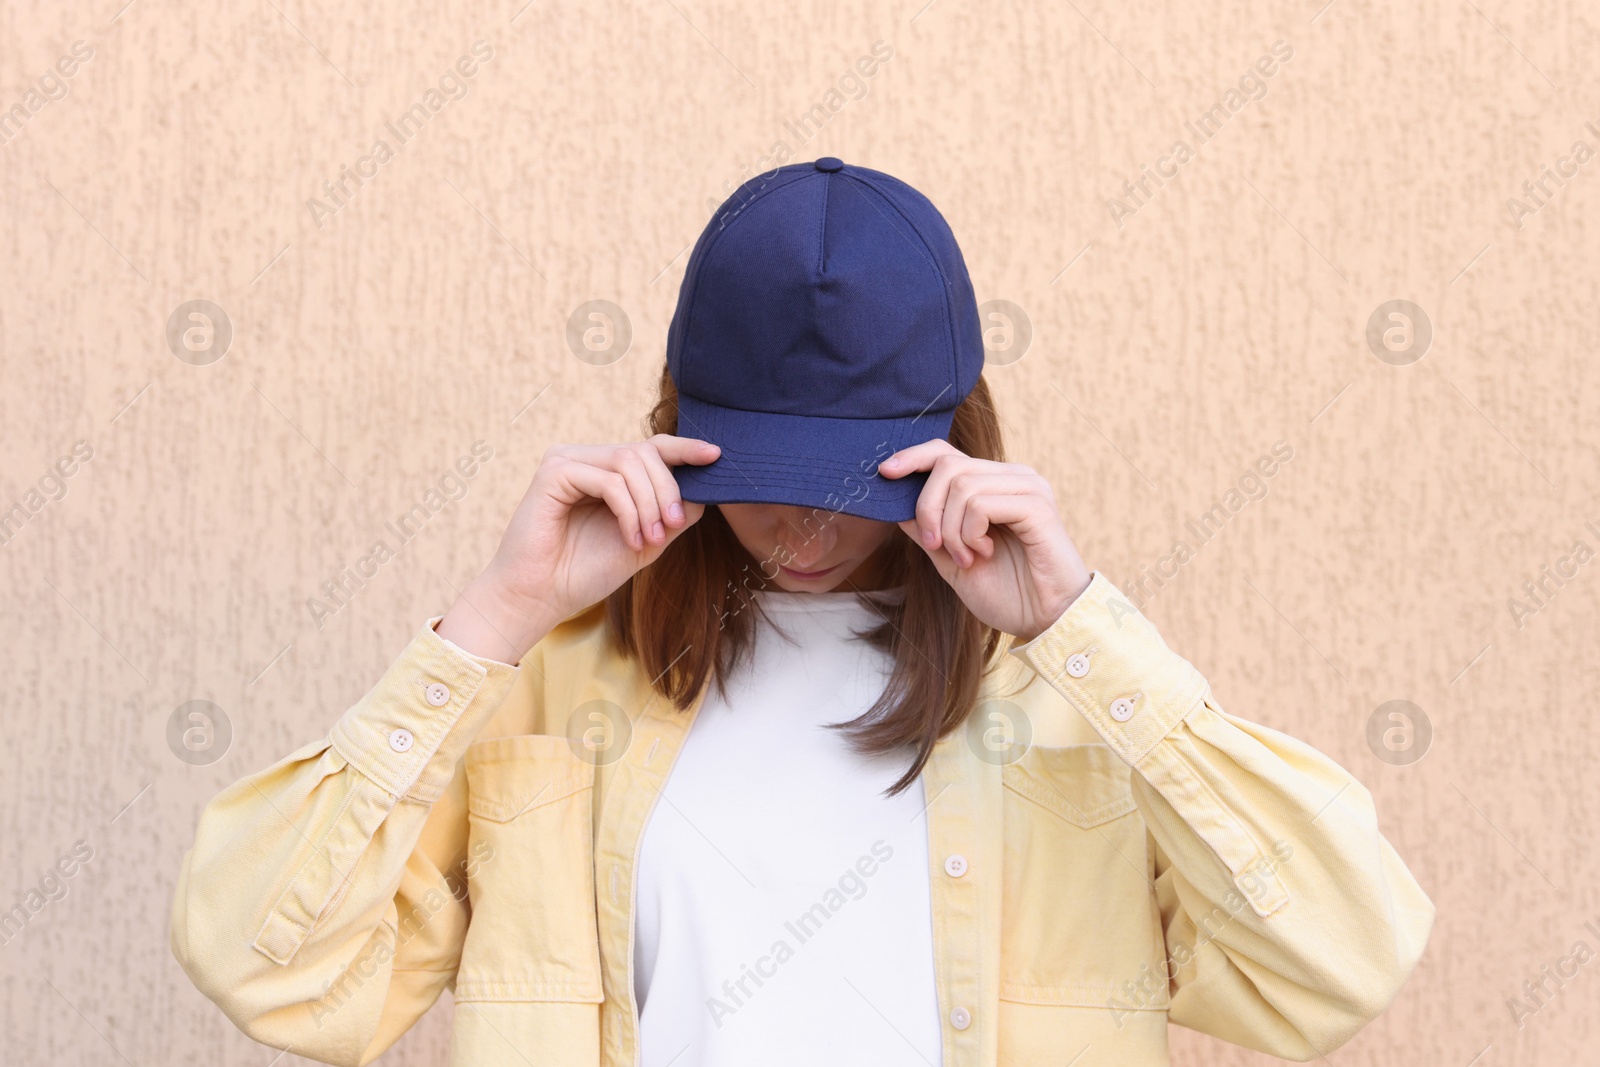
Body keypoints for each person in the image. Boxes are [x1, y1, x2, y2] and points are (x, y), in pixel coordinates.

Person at [171, 158, 1434, 1067]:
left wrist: (1079, 627)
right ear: (678, 433)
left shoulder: (1067, 695)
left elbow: (1341, 959)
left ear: (952, 444)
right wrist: (494, 618)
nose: (807, 527)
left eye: (855, 483)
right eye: (768, 479)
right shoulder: (555, 689)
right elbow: (269, 971)